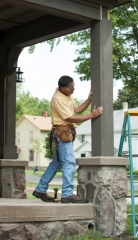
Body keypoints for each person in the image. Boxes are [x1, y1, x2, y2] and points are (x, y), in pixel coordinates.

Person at [33, 75, 103, 203]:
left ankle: (40, 189)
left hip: (67, 132)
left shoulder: (68, 95)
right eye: (71, 88)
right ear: (63, 88)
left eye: (74, 87)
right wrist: (91, 116)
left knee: (57, 163)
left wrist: (88, 99)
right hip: (62, 133)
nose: (73, 90)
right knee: (69, 162)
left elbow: (77, 110)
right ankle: (67, 193)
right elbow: (70, 118)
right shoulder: (57, 99)